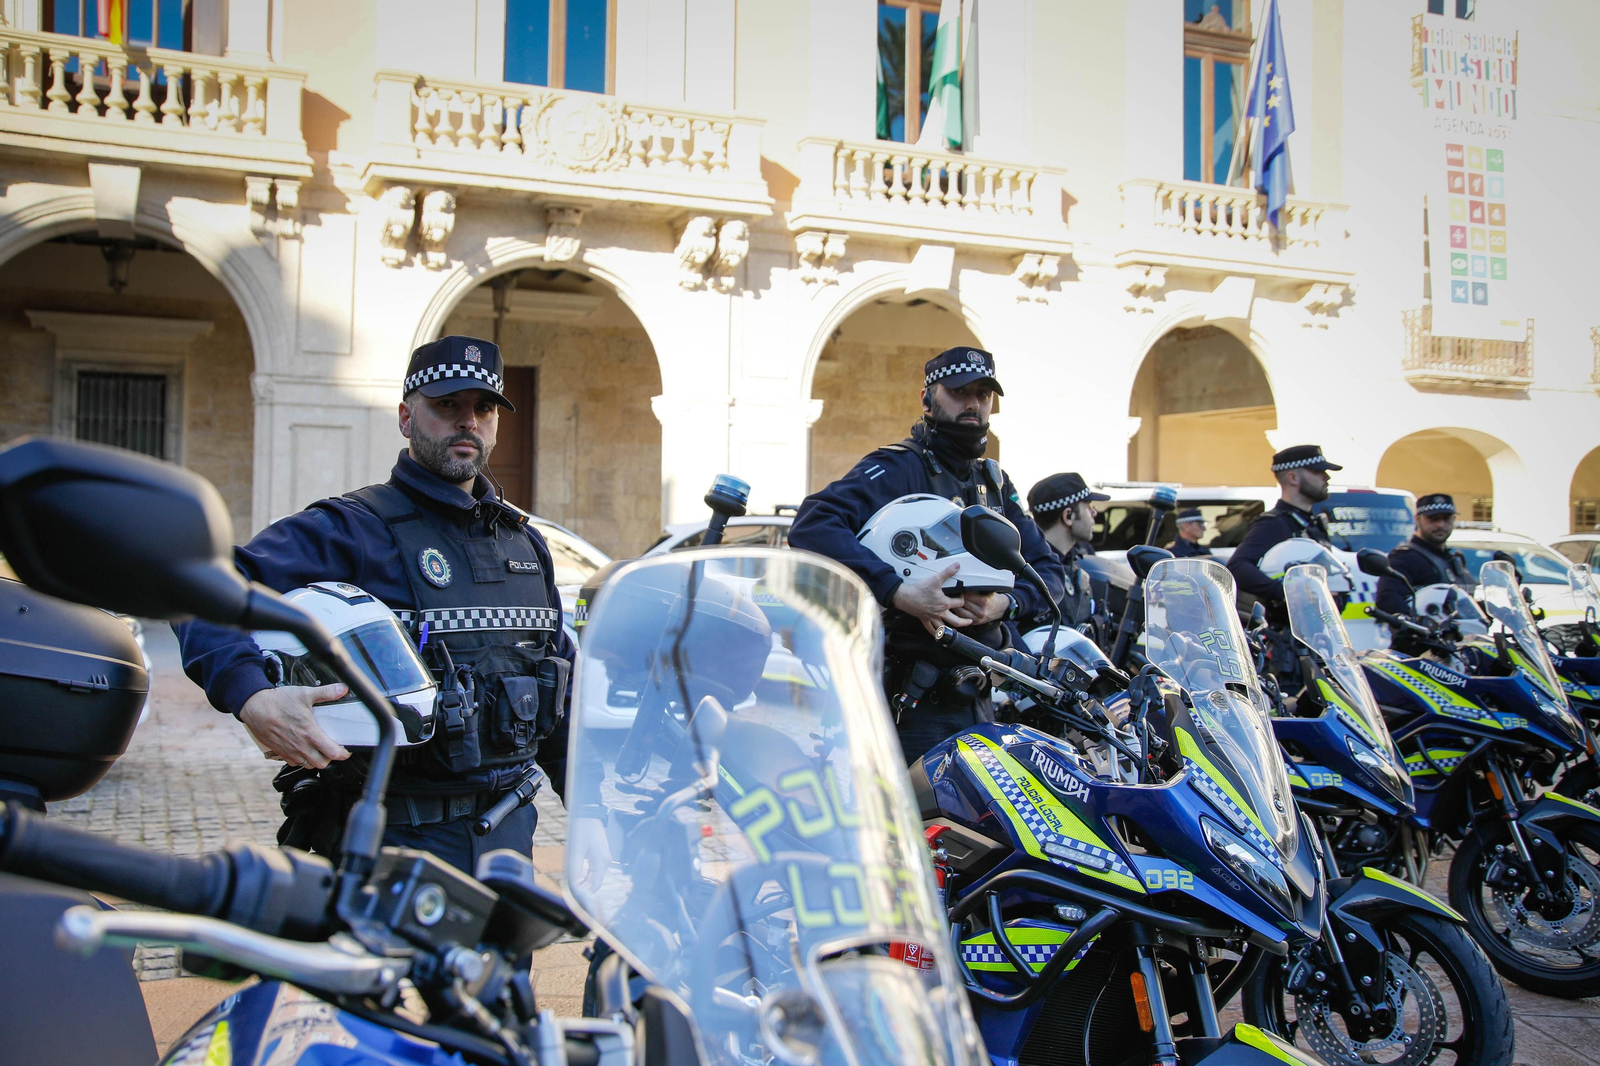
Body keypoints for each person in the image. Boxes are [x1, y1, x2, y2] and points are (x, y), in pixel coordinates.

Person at [176, 336, 577, 875]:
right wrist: (252, 696)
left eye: (483, 408)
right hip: (389, 844)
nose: (468, 422)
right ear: (406, 418)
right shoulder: (352, 529)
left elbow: (559, 688)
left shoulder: (526, 545)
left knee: (500, 965)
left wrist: (605, 814)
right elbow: (200, 587)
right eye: (446, 406)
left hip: (507, 842)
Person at [788, 346, 1064, 762]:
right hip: (909, 704)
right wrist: (898, 590)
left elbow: (1048, 573)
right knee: (909, 826)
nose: (973, 403)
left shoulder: (994, 483)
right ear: (927, 399)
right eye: (959, 392)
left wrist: (1003, 605)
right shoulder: (900, 467)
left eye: (983, 394)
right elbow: (814, 523)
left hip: (979, 696)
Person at [1227, 444, 1339, 613]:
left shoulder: (1313, 524)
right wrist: (1286, 592)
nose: (1326, 477)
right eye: (1317, 472)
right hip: (1288, 632)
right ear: (1293, 478)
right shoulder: (1274, 523)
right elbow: (1238, 567)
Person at [1027, 472, 1110, 637]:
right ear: (1068, 516)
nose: (1094, 513)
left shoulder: (1071, 563)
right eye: (1088, 506)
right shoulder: (1030, 572)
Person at [1375, 493, 1475, 621]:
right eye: (1433, 519)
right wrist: (1419, 622)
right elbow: (1387, 600)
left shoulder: (1453, 558)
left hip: (1459, 637)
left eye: (1447, 518)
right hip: (1420, 639)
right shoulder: (1404, 557)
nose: (1441, 525)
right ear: (1417, 519)